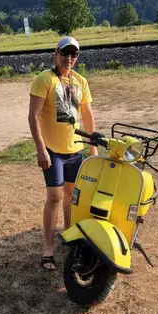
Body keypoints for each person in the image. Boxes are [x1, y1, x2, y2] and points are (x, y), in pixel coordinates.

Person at [28, 37, 97, 271]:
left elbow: (87, 115)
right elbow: (33, 116)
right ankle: (48, 249)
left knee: (71, 195)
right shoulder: (44, 79)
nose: (69, 58)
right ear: (55, 53)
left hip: (75, 150)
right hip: (53, 151)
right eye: (65, 53)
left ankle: (68, 233)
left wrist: (93, 145)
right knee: (55, 197)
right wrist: (40, 149)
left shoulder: (81, 81)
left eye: (73, 54)